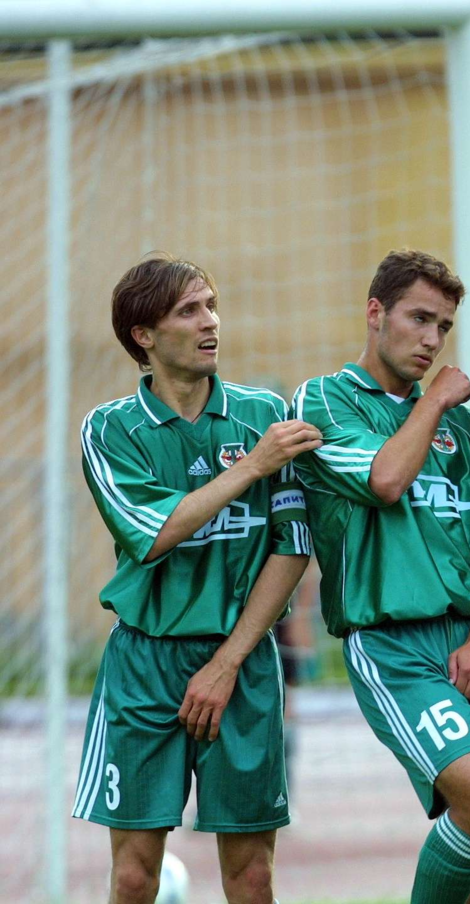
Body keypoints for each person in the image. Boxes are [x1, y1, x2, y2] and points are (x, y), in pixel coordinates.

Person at [291, 249, 470, 904]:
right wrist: (431, 403)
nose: (431, 340)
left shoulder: (463, 426)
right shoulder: (325, 399)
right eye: (419, 319)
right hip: (395, 647)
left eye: (443, 327)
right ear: (376, 313)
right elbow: (386, 479)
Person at [75, 254, 322, 904]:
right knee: (133, 876)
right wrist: (252, 467)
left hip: (241, 663)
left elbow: (293, 547)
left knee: (252, 875)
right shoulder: (109, 429)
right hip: (144, 665)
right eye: (189, 310)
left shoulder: (263, 412)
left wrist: (228, 661)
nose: (211, 322)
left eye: (211, 305)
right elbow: (153, 534)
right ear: (144, 336)